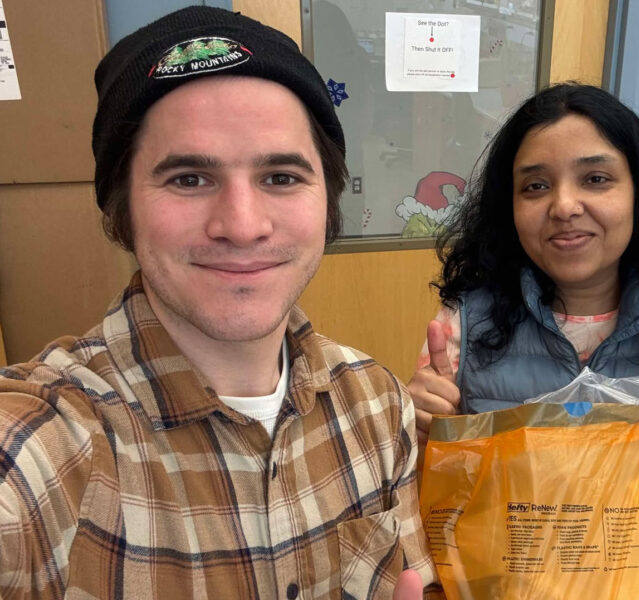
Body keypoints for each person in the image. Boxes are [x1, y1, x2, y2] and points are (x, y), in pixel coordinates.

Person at [0, 7, 439, 599]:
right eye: (189, 178)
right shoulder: (45, 446)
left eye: (281, 176)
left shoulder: (378, 404)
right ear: (121, 208)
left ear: (327, 201)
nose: (242, 224)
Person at [409, 84, 639, 450]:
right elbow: (430, 486)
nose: (564, 206)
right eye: (536, 186)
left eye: (595, 179)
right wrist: (416, 431)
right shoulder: (462, 322)